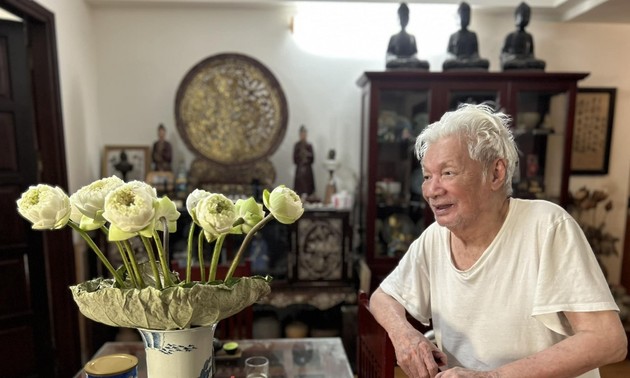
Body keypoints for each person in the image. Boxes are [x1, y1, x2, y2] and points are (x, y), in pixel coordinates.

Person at [370, 104, 627, 378]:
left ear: (496, 173)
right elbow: (382, 297)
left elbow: (609, 341)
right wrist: (404, 335)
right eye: (427, 176)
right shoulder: (436, 237)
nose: (432, 190)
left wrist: (493, 377)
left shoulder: (547, 226)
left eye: (448, 173)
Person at [442, 2, 489, 71]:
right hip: (458, 61)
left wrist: (470, 59)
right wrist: (459, 59)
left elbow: (476, 54)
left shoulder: (473, 35)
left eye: (467, 15)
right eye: (463, 15)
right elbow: (449, 54)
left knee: (485, 63)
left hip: (471, 61)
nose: (465, 18)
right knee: (447, 64)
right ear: (458, 16)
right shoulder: (453, 36)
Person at [500, 2, 546, 71]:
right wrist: (513, 57)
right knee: (508, 64)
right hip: (514, 60)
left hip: (526, 60)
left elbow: (532, 54)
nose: (525, 18)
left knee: (541, 63)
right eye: (523, 15)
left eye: (527, 16)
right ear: (516, 16)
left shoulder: (529, 36)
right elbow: (503, 55)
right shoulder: (510, 36)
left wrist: (528, 59)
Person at [386, 3, 429, 70]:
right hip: (397, 62)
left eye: (406, 16)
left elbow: (415, 56)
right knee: (390, 64)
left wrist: (409, 61)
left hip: (410, 62)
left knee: (426, 64)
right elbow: (389, 57)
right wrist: (400, 61)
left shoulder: (412, 37)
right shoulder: (393, 37)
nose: (404, 19)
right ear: (399, 17)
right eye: (402, 16)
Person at [293, 125, 315, 198]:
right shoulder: (297, 145)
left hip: (308, 170)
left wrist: (307, 155)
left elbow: (312, 159)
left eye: (304, 134)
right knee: (299, 190)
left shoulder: (309, 146)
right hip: (299, 170)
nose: (303, 136)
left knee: (308, 188)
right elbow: (294, 159)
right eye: (302, 134)